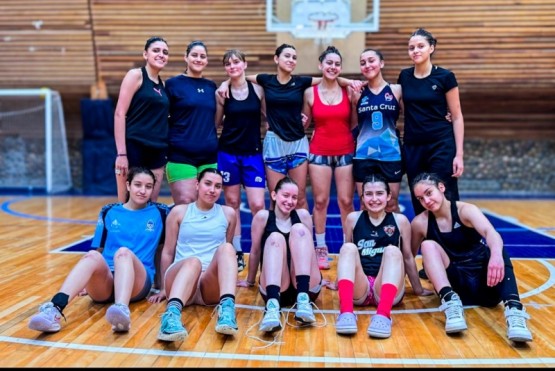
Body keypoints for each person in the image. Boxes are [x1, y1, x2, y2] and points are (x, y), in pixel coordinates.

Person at [217, 43, 360, 211]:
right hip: (274, 145)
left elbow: (329, 77)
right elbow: (240, 76)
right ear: (276, 59)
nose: (291, 60)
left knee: (299, 199)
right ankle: (274, 237)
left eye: (294, 57)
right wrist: (225, 83)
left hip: (297, 144)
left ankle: (303, 236)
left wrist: (351, 82)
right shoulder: (265, 80)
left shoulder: (301, 82)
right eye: (287, 56)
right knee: (275, 198)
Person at [28, 167, 170, 333]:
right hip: (106, 280)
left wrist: (163, 286)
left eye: (148, 186)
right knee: (92, 255)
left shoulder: (161, 212)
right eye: (138, 185)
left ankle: (121, 310)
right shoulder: (109, 211)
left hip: (137, 282)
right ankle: (54, 310)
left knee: (123, 253)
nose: (142, 190)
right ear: (128, 185)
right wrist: (85, 281)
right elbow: (98, 248)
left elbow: (163, 251)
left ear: (153, 189)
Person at [410, 172, 533, 343]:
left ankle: (514, 311)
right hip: (457, 287)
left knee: (496, 246)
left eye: (429, 193)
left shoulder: (466, 210)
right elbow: (409, 256)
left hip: (487, 284)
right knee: (427, 246)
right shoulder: (420, 223)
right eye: (420, 198)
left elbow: (490, 232)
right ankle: (450, 303)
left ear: (441, 187)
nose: (426, 201)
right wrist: (416, 286)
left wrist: (496, 257)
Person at [334, 173, 432, 338]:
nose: (374, 199)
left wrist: (418, 289)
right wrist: (338, 283)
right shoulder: (353, 219)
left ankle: (383, 315)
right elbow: (347, 257)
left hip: (387, 289)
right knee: (348, 247)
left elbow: (408, 257)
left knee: (393, 251)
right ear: (362, 198)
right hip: (361, 288)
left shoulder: (400, 221)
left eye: (379, 193)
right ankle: (346, 313)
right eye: (369, 194)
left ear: (388, 196)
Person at [149, 168, 239, 342]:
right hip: (182, 277)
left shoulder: (228, 214)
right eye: (208, 183)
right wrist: (163, 288)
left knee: (228, 248)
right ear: (197, 185)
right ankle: (170, 317)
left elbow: (223, 258)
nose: (212, 189)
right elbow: (168, 252)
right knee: (193, 262)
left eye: (217, 186)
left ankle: (227, 311)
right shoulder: (179, 212)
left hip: (208, 285)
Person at [237, 177, 322, 333]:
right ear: (274, 195)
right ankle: (272, 308)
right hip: (276, 288)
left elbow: (309, 251)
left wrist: (319, 277)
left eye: (294, 197)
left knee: (298, 229)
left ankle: (303, 300)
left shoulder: (302, 216)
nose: (290, 201)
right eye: (286, 195)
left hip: (305, 288)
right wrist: (250, 281)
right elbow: (255, 252)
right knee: (275, 238)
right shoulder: (262, 217)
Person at [397, 28, 465, 216]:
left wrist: (459, 154)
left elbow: (457, 116)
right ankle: (428, 243)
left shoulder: (445, 77)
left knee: (445, 194)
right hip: (413, 146)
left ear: (431, 48)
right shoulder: (404, 76)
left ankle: (453, 241)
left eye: (421, 46)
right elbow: (403, 107)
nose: (415, 51)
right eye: (411, 47)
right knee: (419, 195)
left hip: (441, 144)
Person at [301, 46, 355, 271]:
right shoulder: (309, 93)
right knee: (320, 201)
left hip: (345, 150)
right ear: (320, 65)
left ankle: (347, 248)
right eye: (329, 63)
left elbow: (353, 123)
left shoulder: (349, 91)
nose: (333, 67)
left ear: (340, 68)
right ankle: (320, 247)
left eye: (337, 64)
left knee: (346, 202)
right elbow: (304, 122)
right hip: (319, 151)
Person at [215, 49, 267, 272]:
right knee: (232, 204)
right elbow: (217, 122)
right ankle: (236, 251)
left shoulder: (258, 89)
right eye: (228, 64)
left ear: (245, 64)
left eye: (236, 62)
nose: (233, 66)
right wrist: (223, 87)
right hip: (228, 153)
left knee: (258, 204)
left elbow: (268, 118)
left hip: (253, 153)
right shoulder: (222, 93)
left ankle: (260, 248)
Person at [113, 36, 170, 203]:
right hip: (134, 148)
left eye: (165, 52)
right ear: (145, 54)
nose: (161, 54)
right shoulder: (135, 76)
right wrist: (121, 153)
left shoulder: (164, 86)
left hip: (158, 150)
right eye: (156, 50)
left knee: (150, 205)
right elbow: (119, 113)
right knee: (126, 204)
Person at [165, 40, 218, 205]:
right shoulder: (173, 84)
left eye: (203, 56)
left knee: (206, 205)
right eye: (194, 55)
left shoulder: (211, 87)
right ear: (185, 57)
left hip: (209, 156)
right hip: (181, 155)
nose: (198, 59)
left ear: (207, 61)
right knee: (186, 202)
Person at [352, 48, 403, 214]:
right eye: (363, 63)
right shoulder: (357, 94)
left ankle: (395, 240)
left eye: (371, 60)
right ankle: (362, 240)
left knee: (391, 204)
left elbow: (415, 116)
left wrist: (444, 114)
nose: (367, 65)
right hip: (363, 155)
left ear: (381, 63)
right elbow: (353, 125)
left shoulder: (396, 90)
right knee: (364, 205)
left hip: (390, 154)